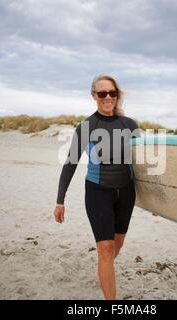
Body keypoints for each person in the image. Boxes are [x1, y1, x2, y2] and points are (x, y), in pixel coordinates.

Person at [53, 74, 140, 300]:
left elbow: (142, 163)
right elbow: (70, 163)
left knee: (117, 245)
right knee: (106, 248)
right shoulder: (87, 127)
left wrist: (156, 200)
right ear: (94, 96)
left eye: (112, 93)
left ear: (117, 95)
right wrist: (60, 201)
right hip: (98, 192)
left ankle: (103, 270)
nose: (108, 97)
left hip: (126, 193)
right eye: (102, 93)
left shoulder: (130, 125)